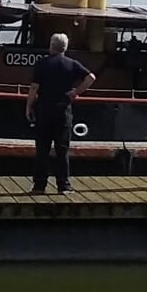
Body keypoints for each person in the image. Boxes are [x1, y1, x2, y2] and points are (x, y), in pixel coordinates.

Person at [25, 32, 95, 195]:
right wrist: (77, 92)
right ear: (65, 47)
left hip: (44, 110)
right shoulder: (71, 64)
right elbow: (91, 77)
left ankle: (39, 186)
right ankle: (64, 185)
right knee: (62, 149)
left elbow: (34, 88)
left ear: (51, 45)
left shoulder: (42, 64)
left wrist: (28, 106)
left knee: (42, 149)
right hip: (63, 111)